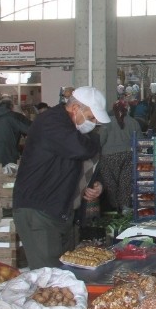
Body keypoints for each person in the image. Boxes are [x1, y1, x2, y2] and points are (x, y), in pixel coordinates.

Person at [12, 86, 109, 268]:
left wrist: (97, 184)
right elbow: (82, 149)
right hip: (39, 210)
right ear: (75, 108)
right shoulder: (51, 122)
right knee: (48, 276)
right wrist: (95, 140)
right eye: (91, 118)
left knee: (66, 273)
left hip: (60, 211)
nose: (94, 123)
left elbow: (86, 162)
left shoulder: (72, 129)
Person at [97, 99, 142, 211]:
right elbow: (139, 142)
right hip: (128, 155)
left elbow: (100, 141)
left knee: (110, 183)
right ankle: (125, 208)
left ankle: (113, 209)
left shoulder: (106, 123)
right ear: (127, 109)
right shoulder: (133, 122)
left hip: (108, 157)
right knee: (125, 183)